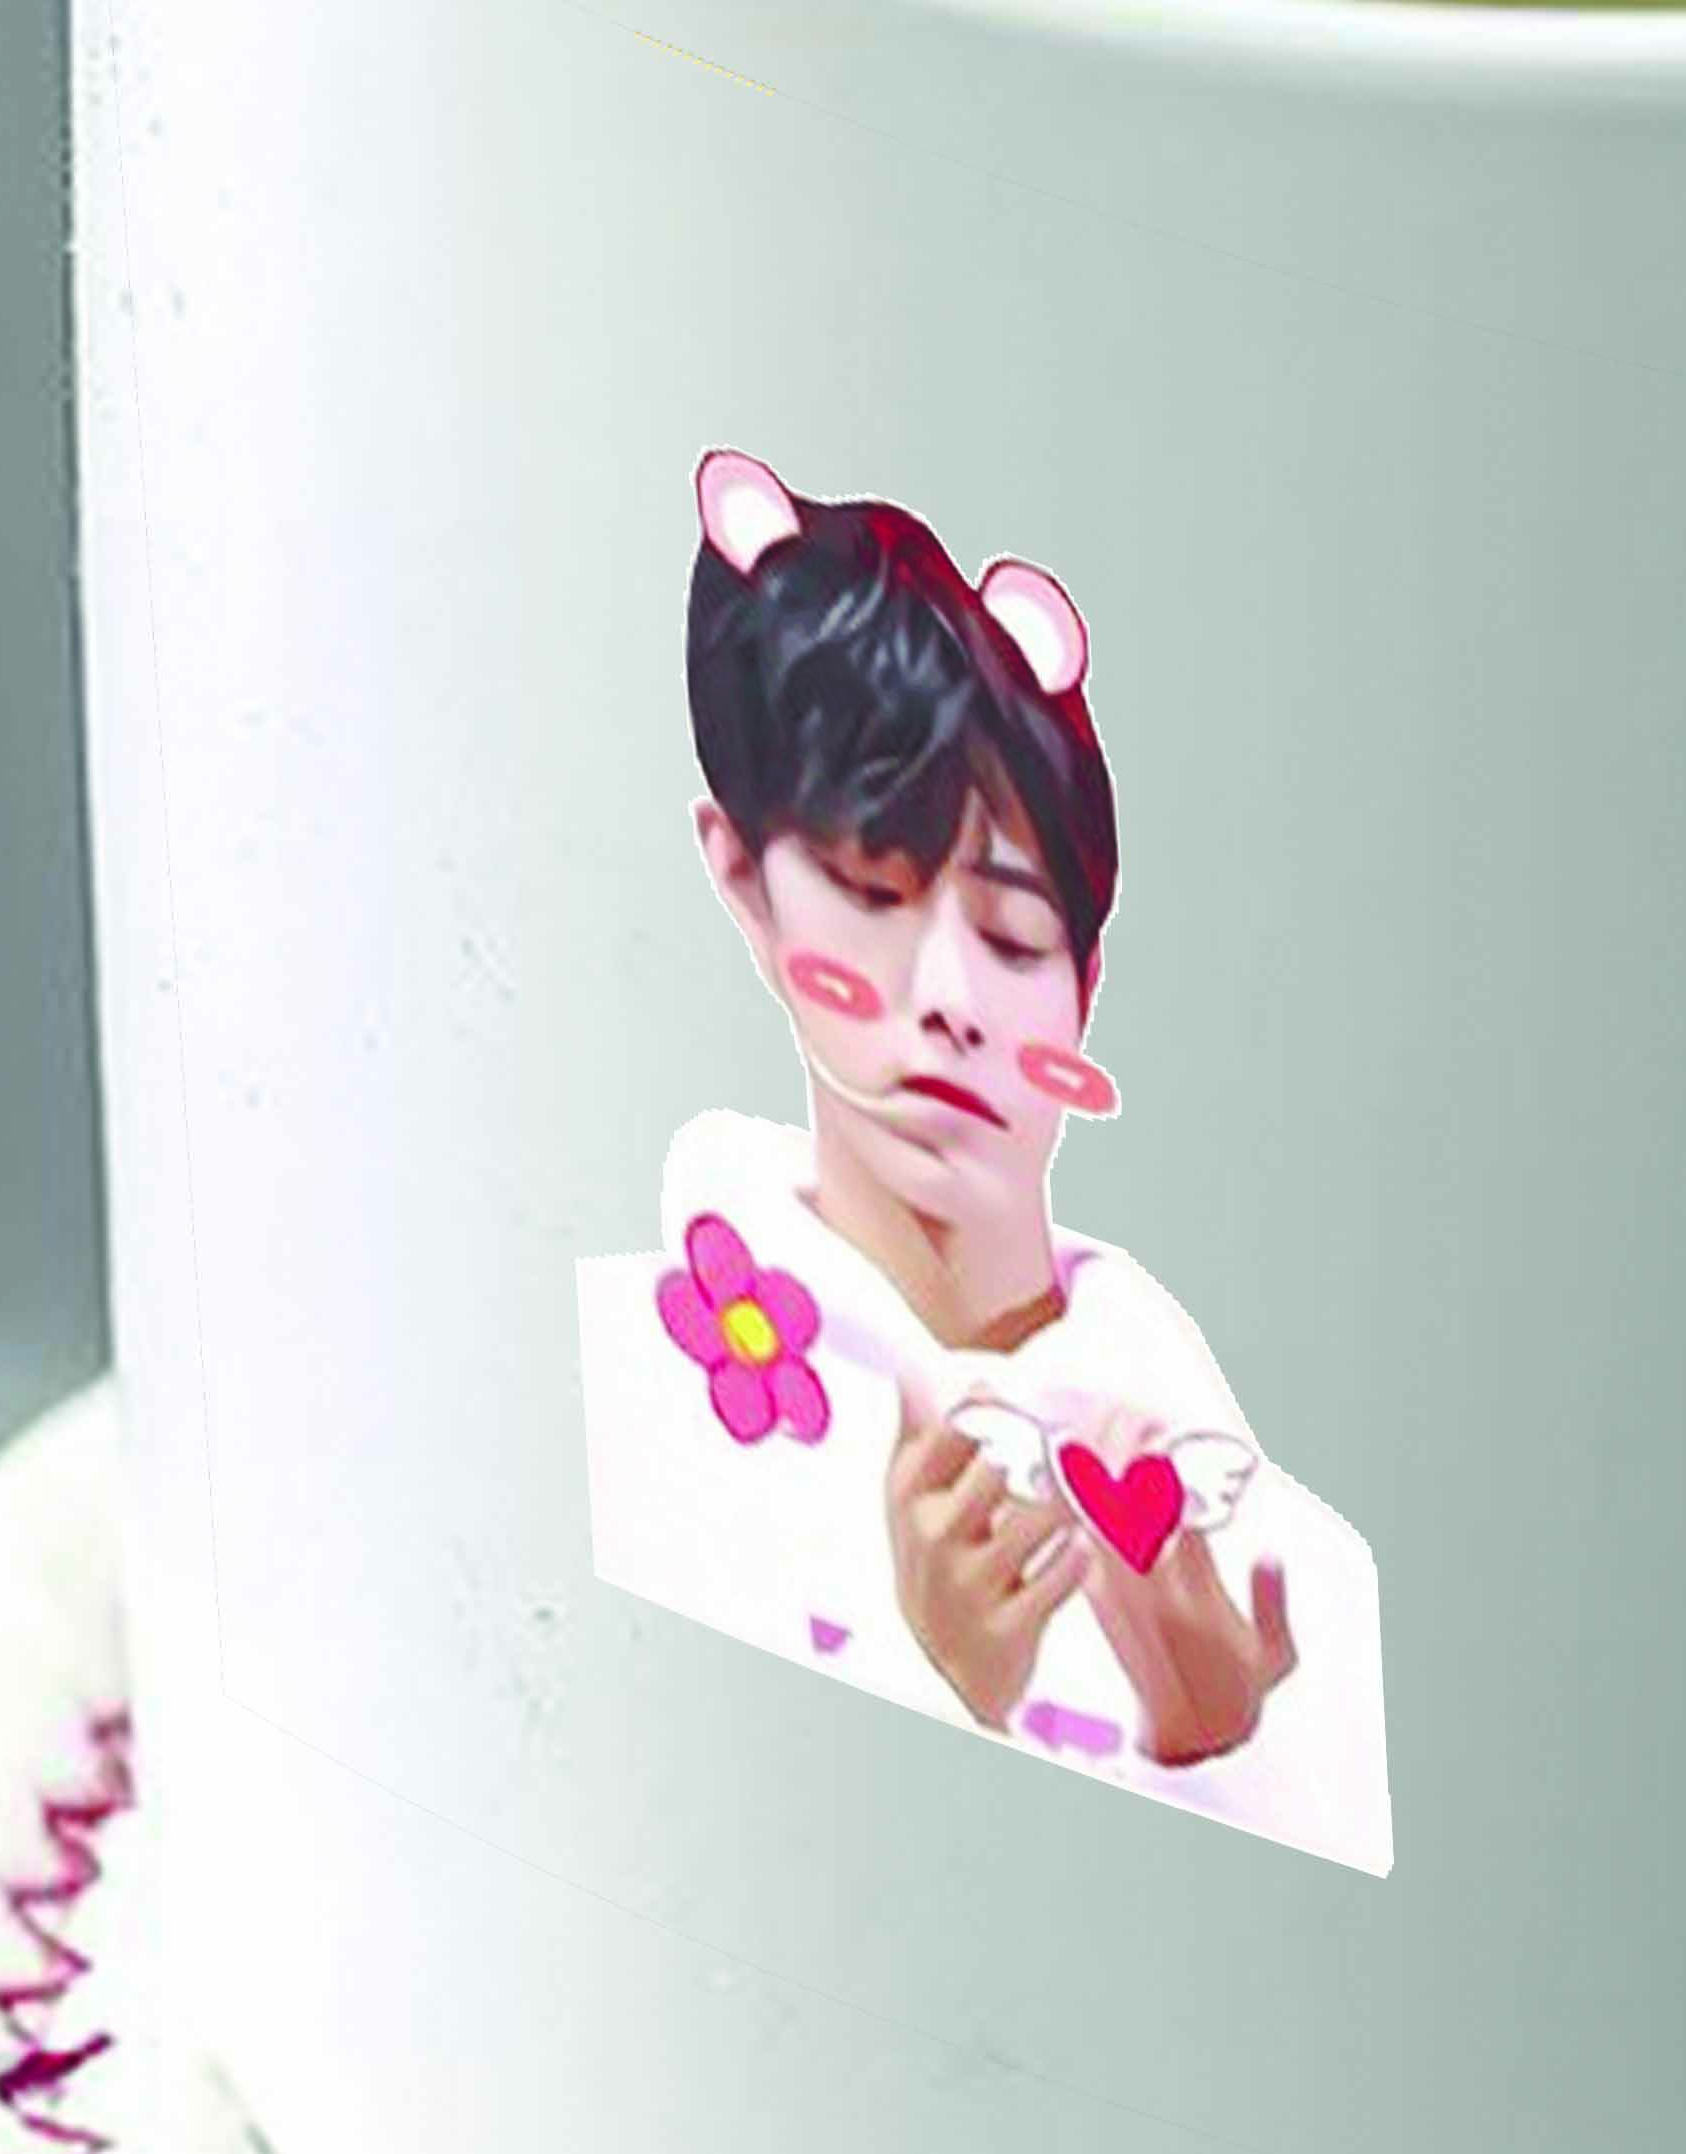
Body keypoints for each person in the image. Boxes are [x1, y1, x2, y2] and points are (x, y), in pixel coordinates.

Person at [578, 449, 1381, 1860]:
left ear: (1087, 977)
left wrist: (1212, 1738)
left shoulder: (1262, 1523)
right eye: (872, 890)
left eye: (1013, 936)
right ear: (742, 880)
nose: (949, 996)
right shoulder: (631, 1398)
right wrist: (940, 1689)